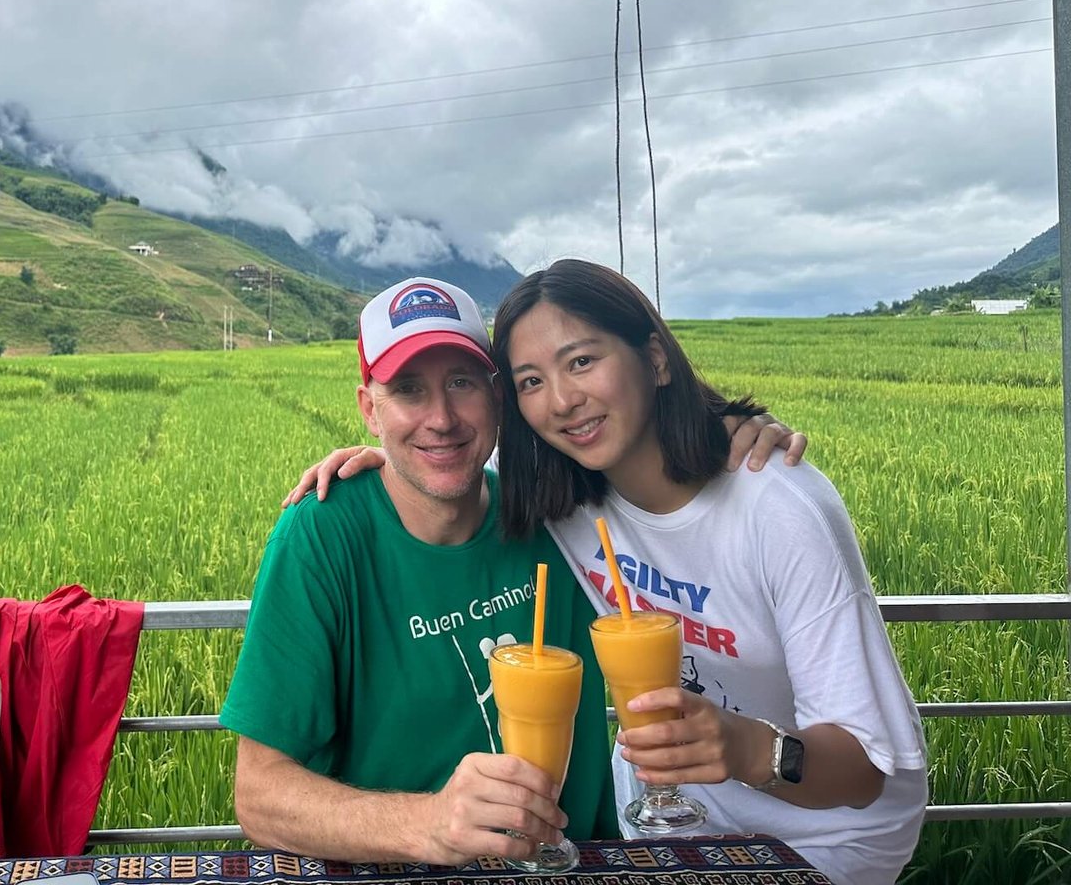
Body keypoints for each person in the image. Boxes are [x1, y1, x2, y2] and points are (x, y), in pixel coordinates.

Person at [294, 261, 927, 885]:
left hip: (824, 838)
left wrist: (743, 748)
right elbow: (452, 474)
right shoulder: (568, 505)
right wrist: (396, 461)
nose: (564, 401)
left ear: (654, 359)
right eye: (531, 381)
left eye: (582, 362)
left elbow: (867, 774)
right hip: (666, 828)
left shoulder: (778, 509)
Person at [219, 276, 618, 866]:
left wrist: (728, 443)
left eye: (461, 383)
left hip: (570, 862)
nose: (442, 418)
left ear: (498, 398)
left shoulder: (557, 510)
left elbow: (660, 472)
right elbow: (259, 795)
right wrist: (427, 824)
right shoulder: (324, 535)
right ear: (369, 411)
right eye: (408, 390)